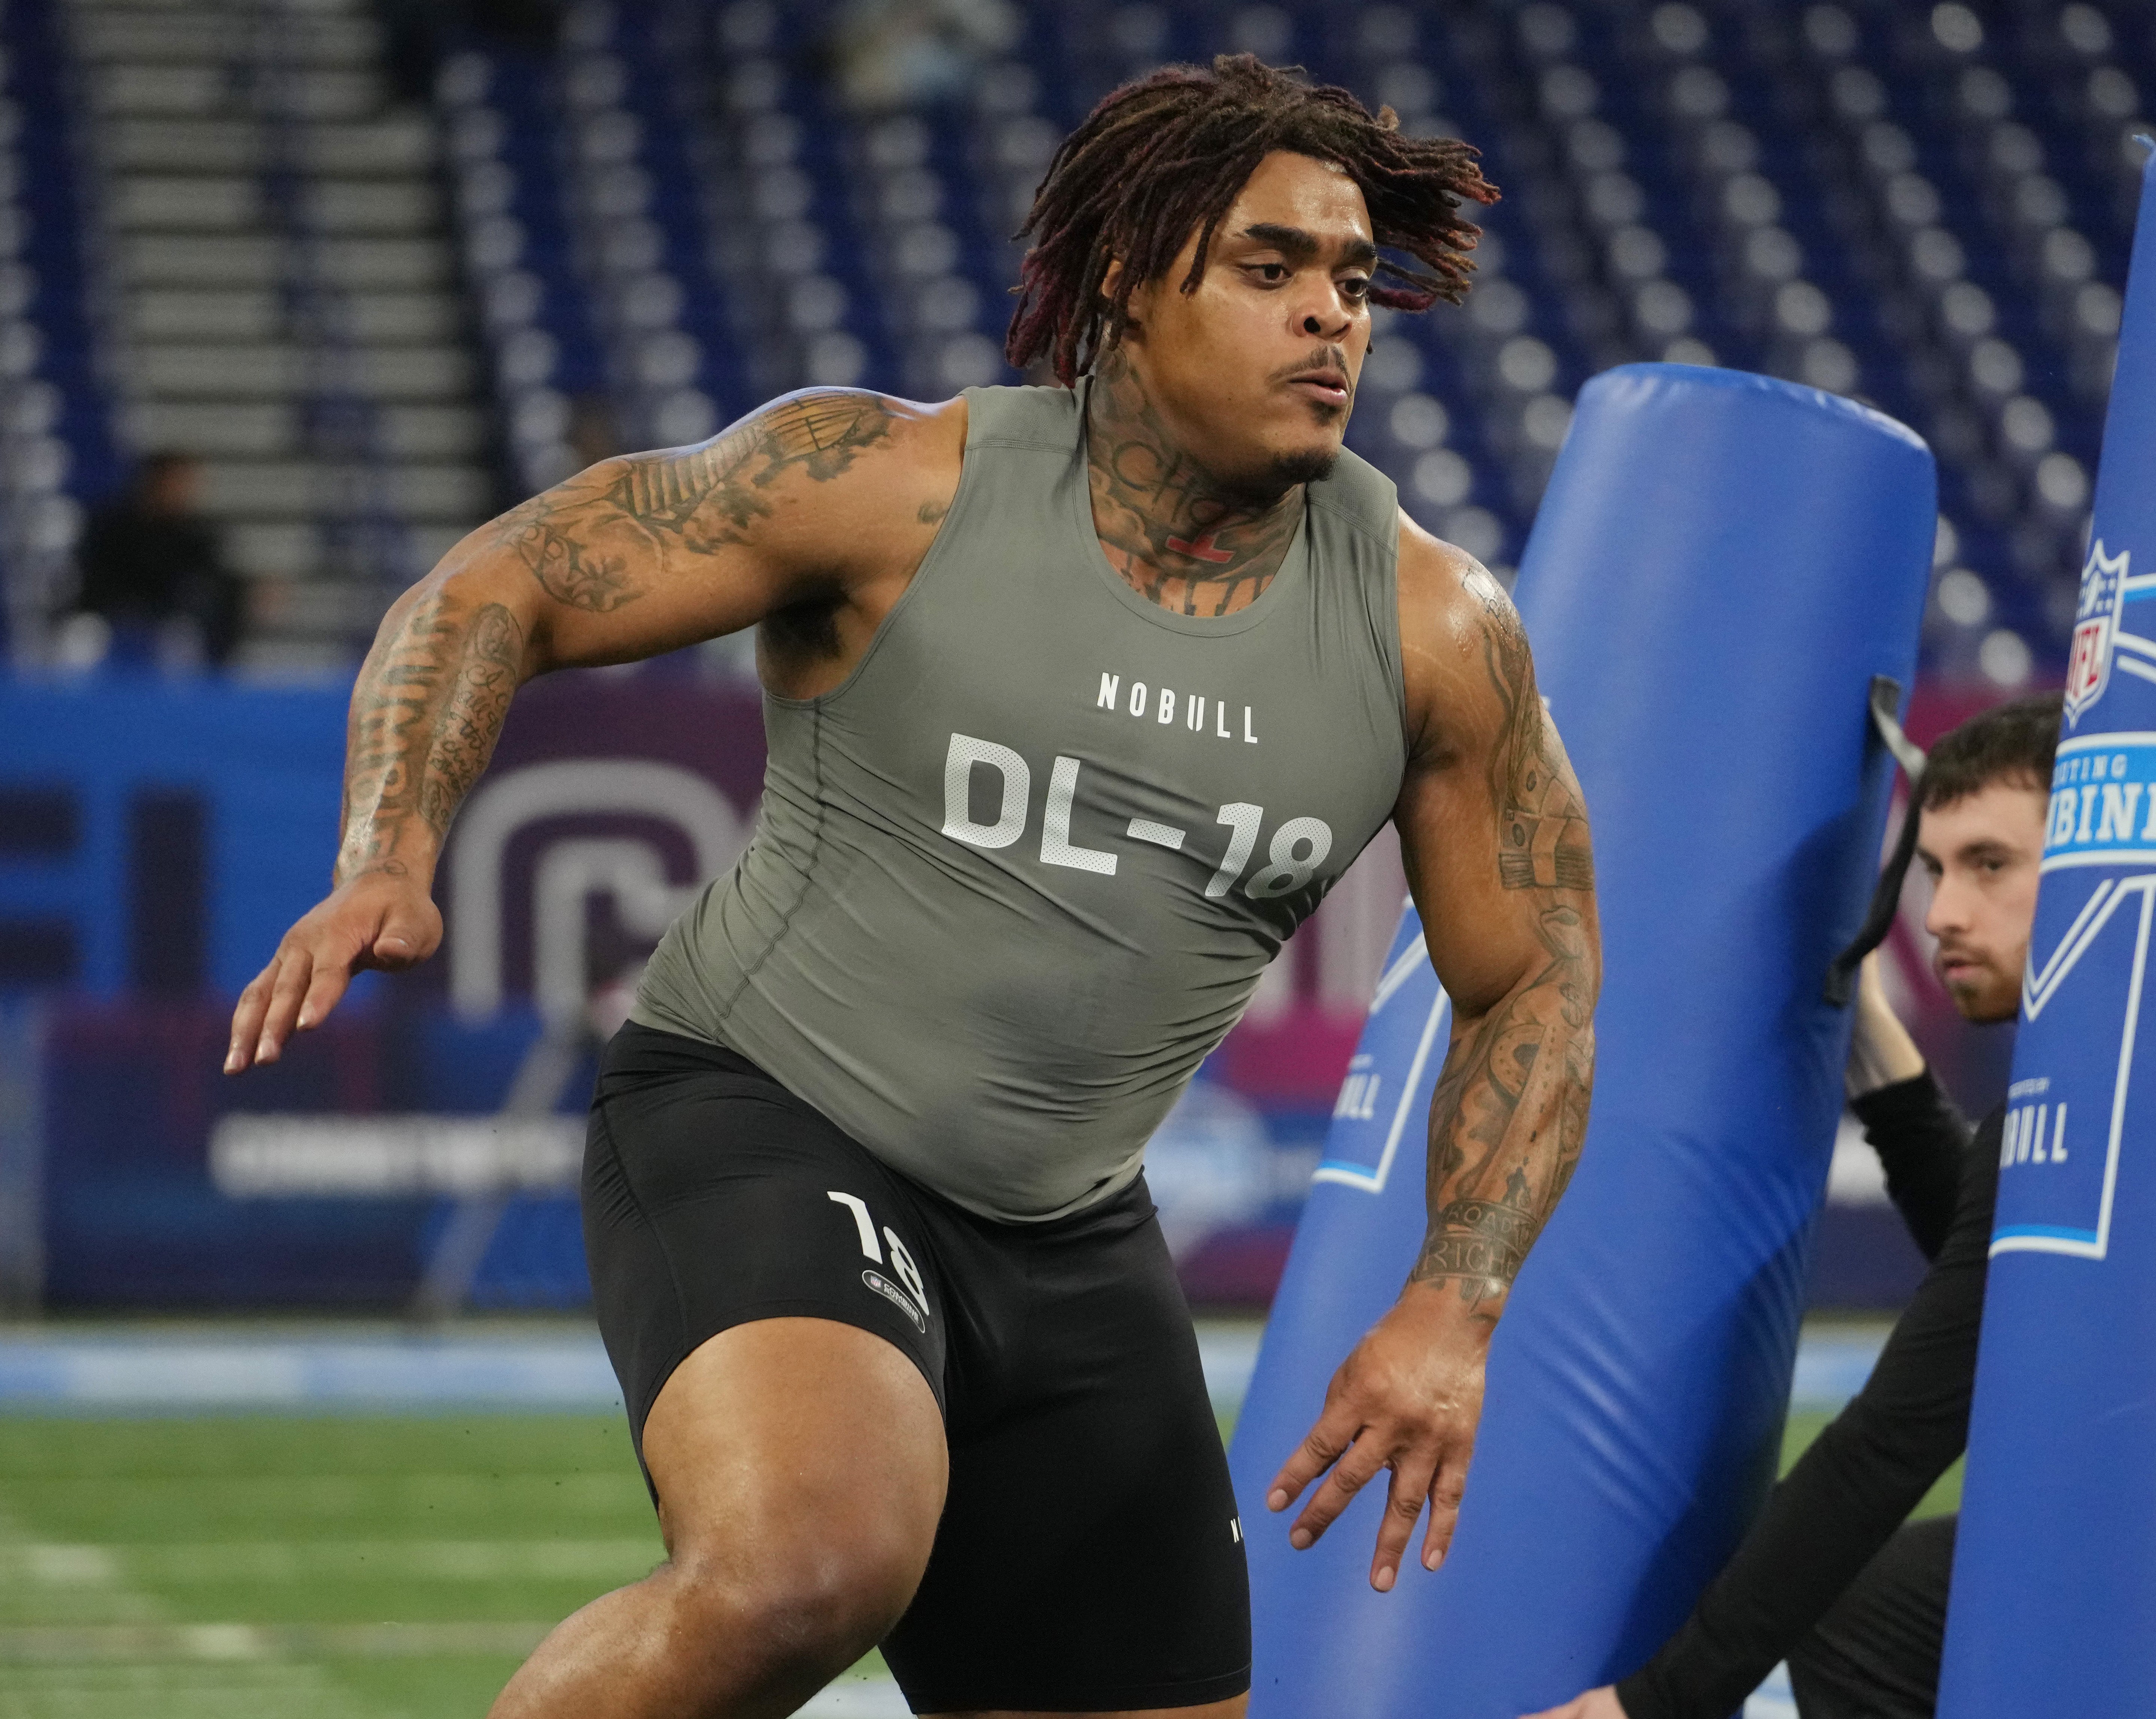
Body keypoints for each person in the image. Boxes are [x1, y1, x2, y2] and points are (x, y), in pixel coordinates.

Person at [225, 56, 1601, 1719]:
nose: (1329, 317)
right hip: (766, 1117)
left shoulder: (1434, 630)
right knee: (810, 1559)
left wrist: (1453, 1304)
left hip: (1070, 1232)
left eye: (1351, 279)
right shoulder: (889, 486)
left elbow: (1534, 976)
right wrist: (390, 844)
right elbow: (503, 578)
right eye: (1267, 267)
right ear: (1126, 281)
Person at [1524, 693, 2061, 1719]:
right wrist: (1860, 1035)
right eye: (1932, 868)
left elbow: (1888, 1445)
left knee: (1856, 1607)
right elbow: (2002, 1268)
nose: (1941, 911)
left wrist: (1655, 1702)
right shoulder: (2092, 1103)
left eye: (1988, 863)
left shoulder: (2095, 1108)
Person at [68, 451, 243, 670]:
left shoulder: (198, 537)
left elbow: (214, 584)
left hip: (169, 626)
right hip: (111, 620)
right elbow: (91, 581)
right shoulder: (111, 528)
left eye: (186, 484)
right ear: (153, 482)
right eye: (175, 482)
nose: (181, 491)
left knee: (181, 638)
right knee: (82, 636)